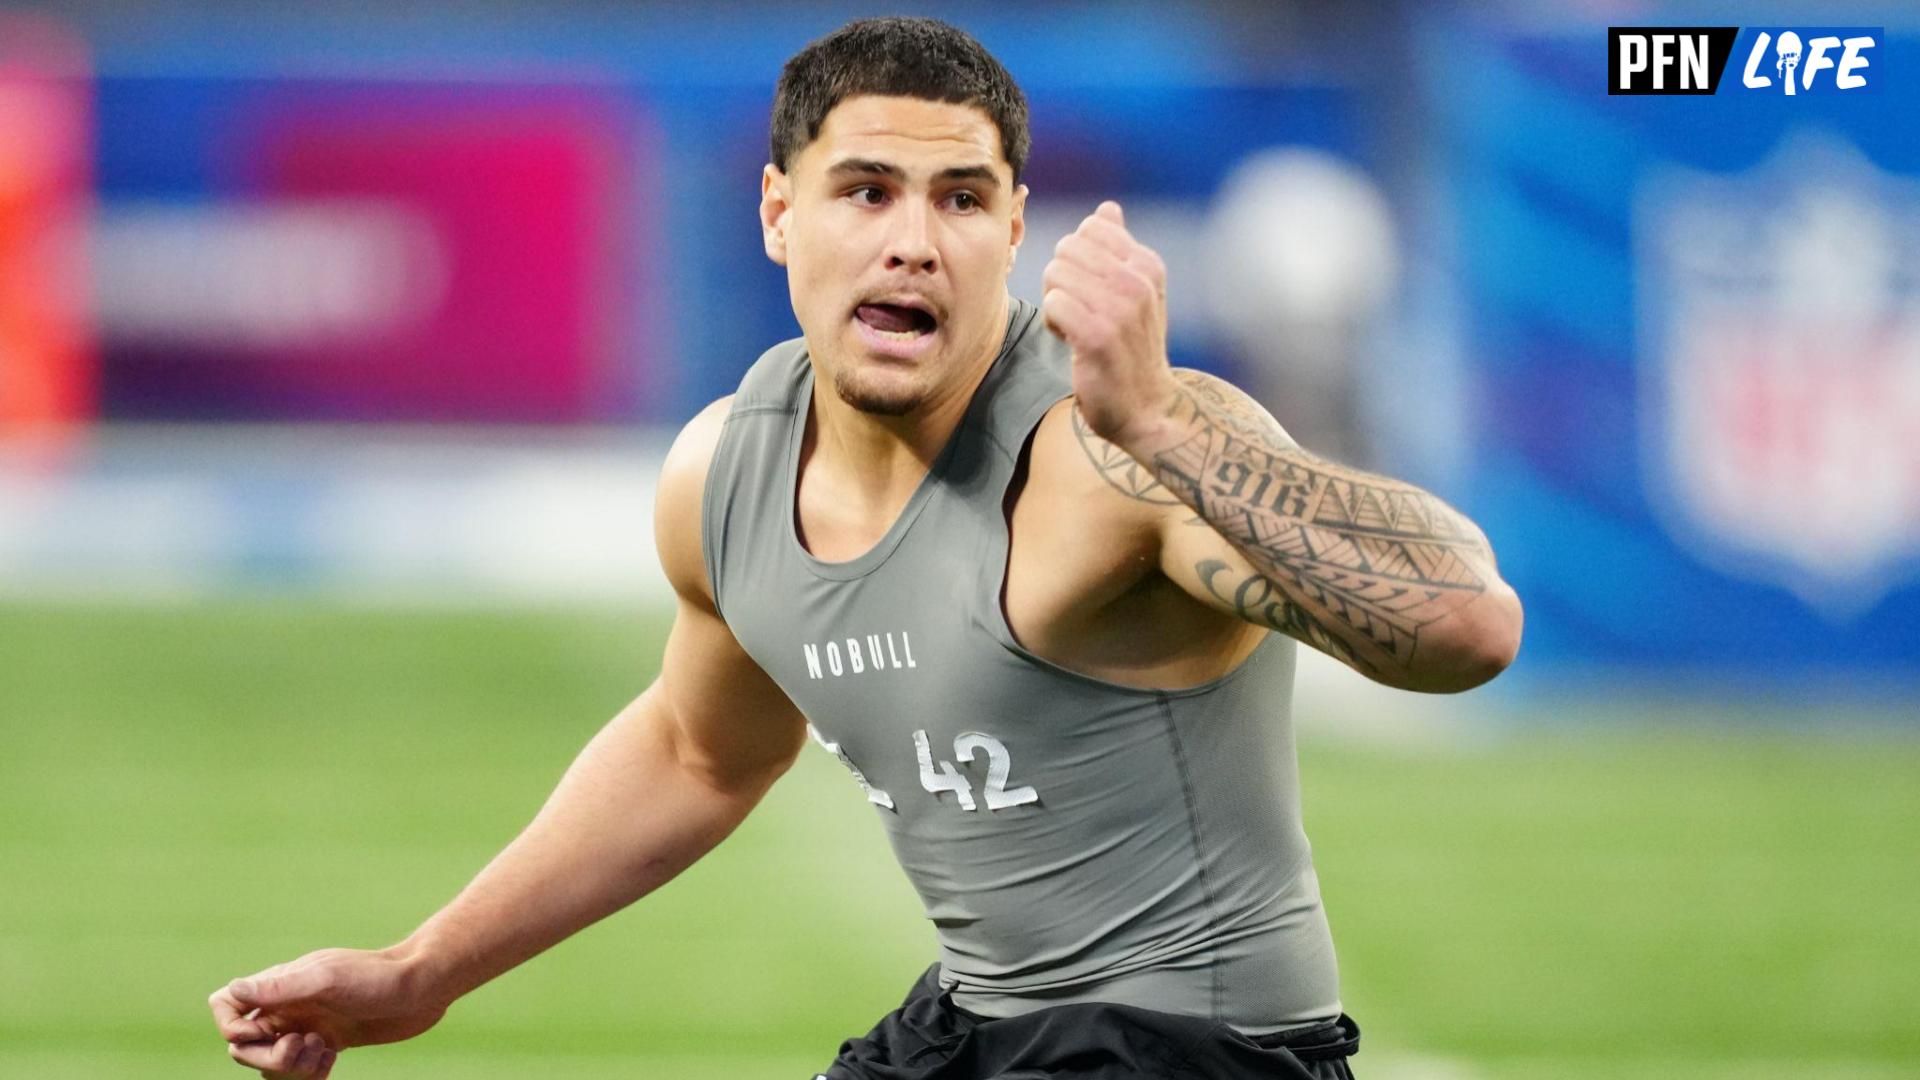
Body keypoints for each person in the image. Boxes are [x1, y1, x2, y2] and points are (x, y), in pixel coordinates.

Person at [208, 17, 1521, 1080]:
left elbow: (1467, 626)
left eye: (961, 199)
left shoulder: (1114, 450)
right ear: (780, 212)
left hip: (1195, 1052)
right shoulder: (729, 471)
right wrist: (418, 973)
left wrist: (1165, 424)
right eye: (867, 191)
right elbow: (697, 749)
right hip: (975, 1025)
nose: (912, 238)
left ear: (1014, 233)